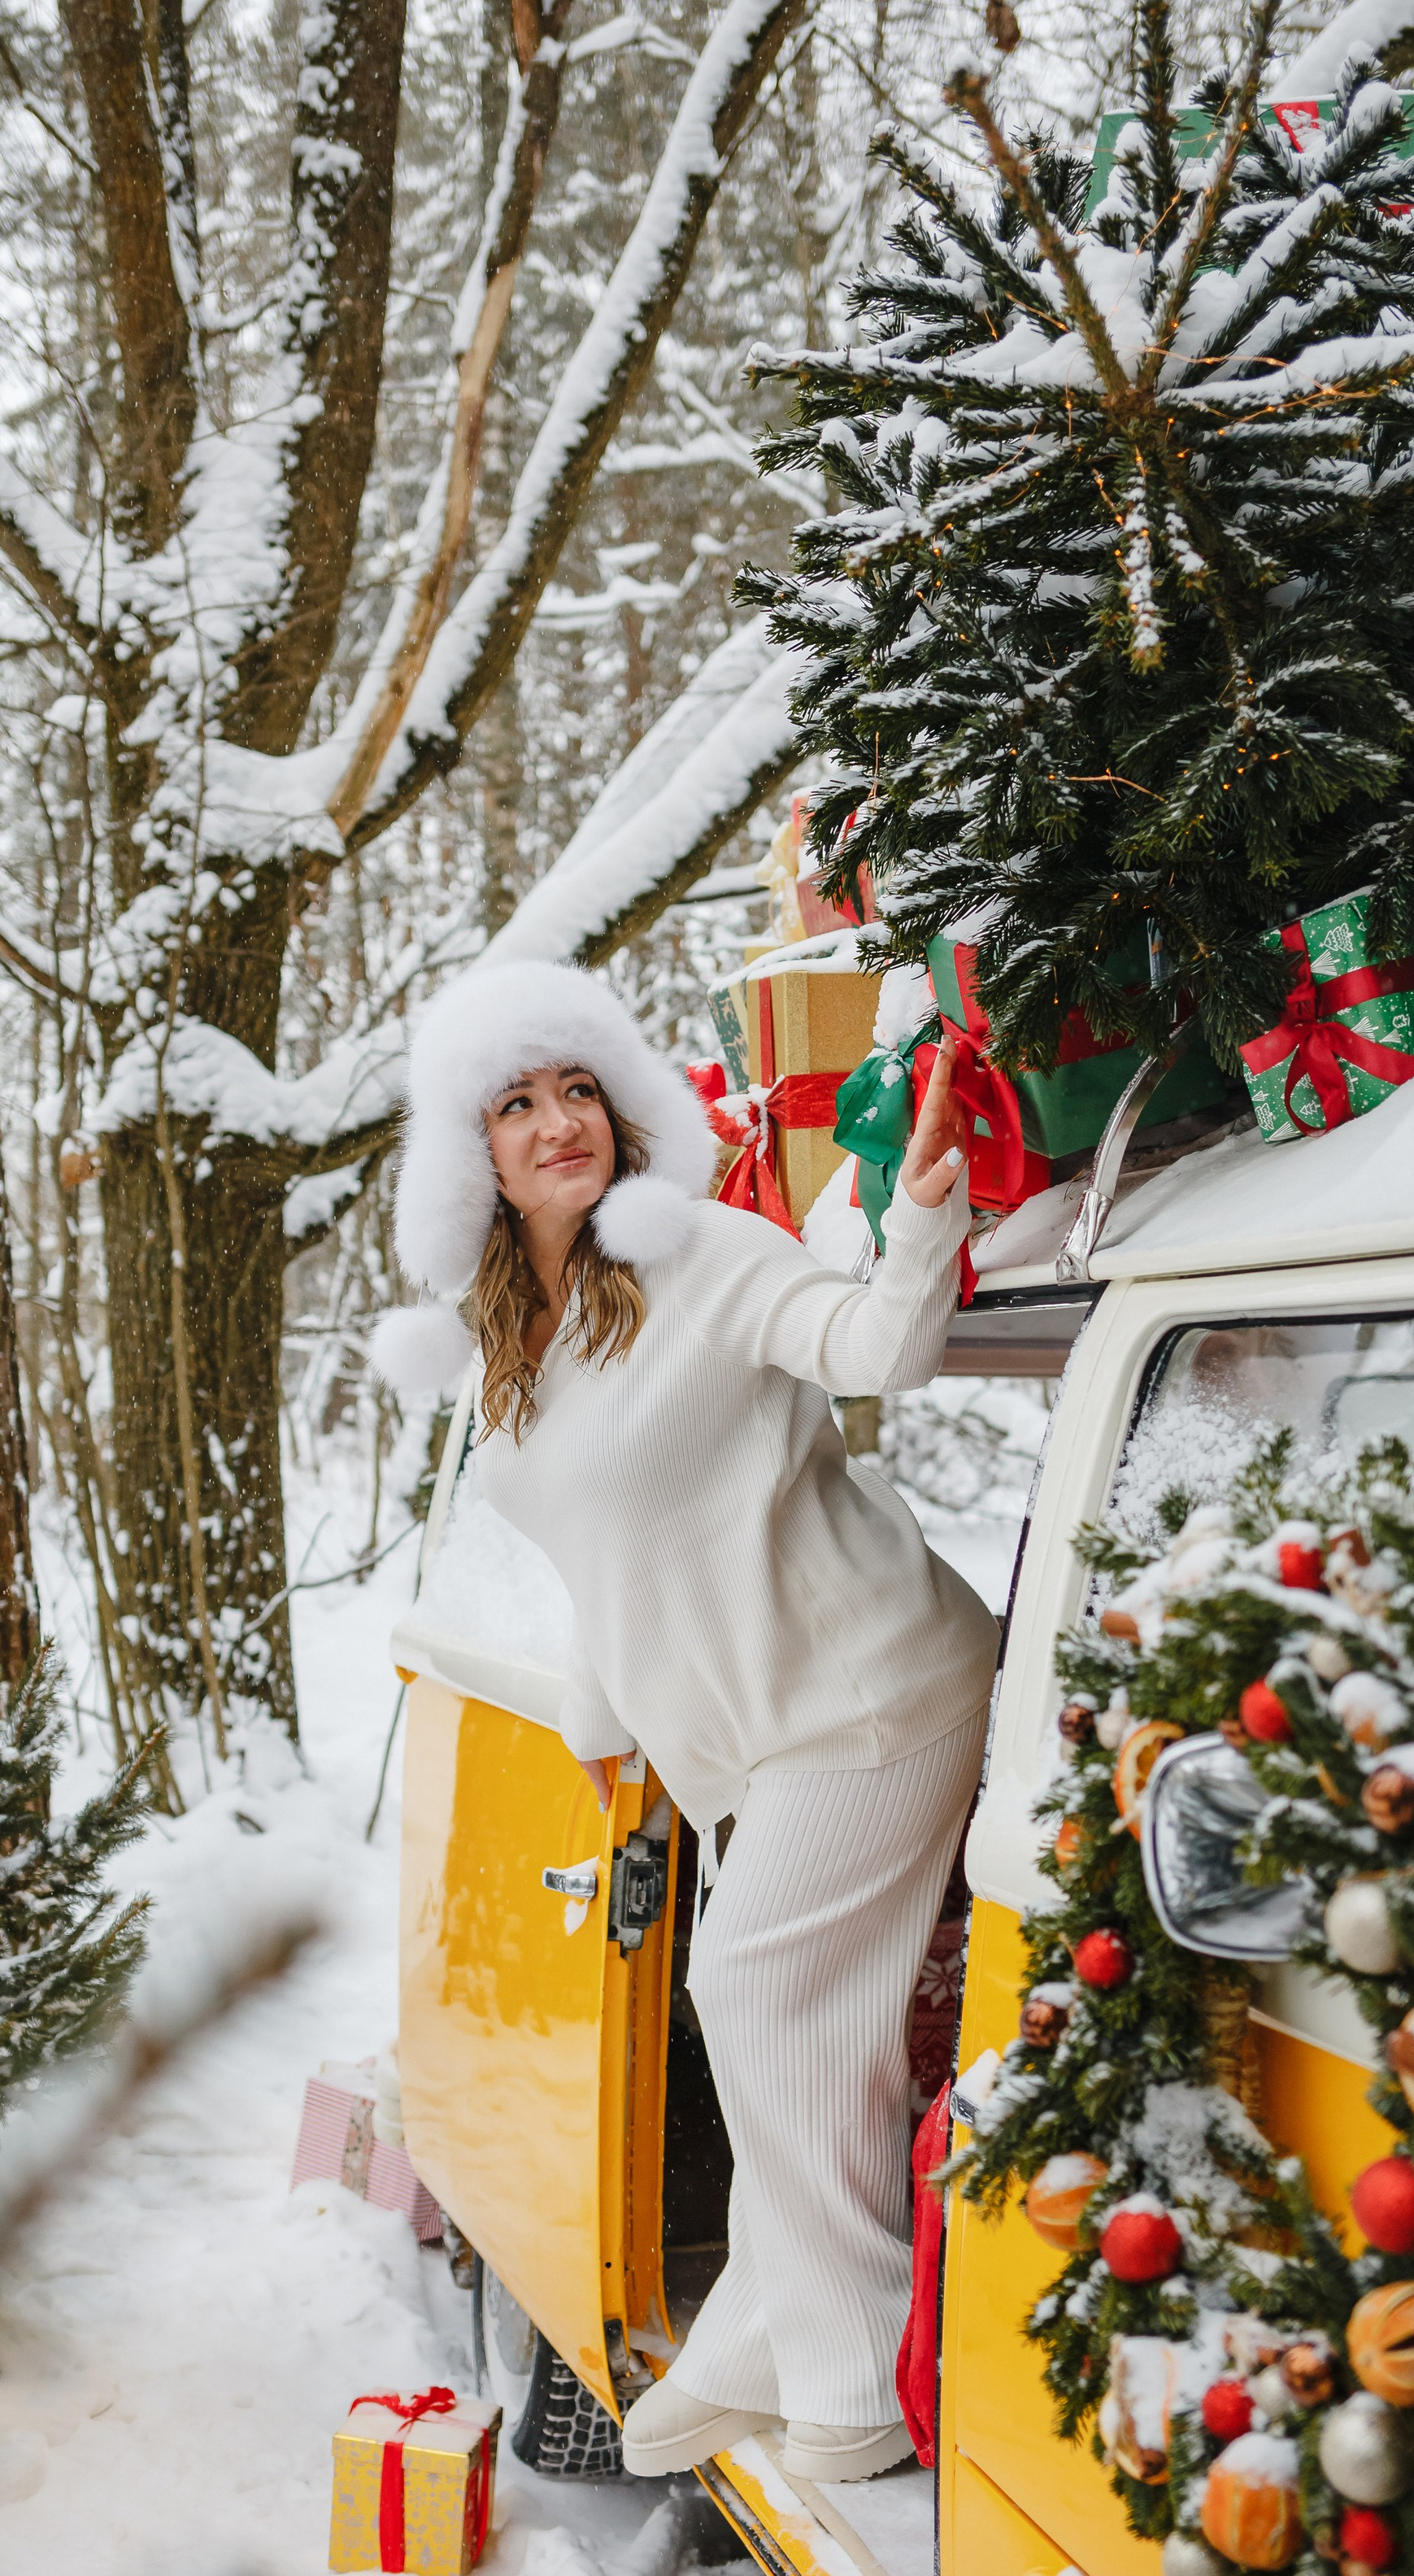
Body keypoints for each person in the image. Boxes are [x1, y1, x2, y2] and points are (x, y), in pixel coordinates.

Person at [374, 959, 998, 2485]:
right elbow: (598, 1546)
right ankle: (759, 2339)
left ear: (622, 1108)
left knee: (753, 1985)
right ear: (475, 1155)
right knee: (811, 2030)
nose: (554, 1124)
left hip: (874, 1692)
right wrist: (603, 1708)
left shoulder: (706, 1253)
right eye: (514, 1104)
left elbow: (876, 1354)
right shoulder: (511, 1344)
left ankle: (849, 2362)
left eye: (576, 1089)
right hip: (743, 1744)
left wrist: (923, 1209)